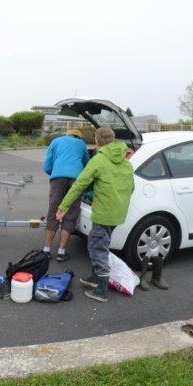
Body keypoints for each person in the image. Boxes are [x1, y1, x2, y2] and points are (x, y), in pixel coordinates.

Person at [55, 126, 134, 302]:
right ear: (112, 140)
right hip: (118, 213)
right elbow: (131, 187)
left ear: (97, 141)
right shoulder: (126, 161)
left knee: (98, 247)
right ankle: (95, 277)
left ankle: (102, 290)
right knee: (97, 241)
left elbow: (79, 184)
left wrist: (63, 207)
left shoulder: (98, 160)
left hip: (104, 213)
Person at [42, 129, 89, 261]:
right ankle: (61, 252)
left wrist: (57, 172)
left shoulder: (56, 142)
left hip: (57, 179)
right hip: (76, 179)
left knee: (54, 212)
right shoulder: (81, 144)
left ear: (67, 134)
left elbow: (47, 166)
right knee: (71, 214)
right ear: (78, 137)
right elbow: (87, 165)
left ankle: (46, 249)